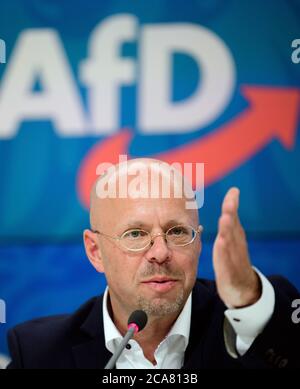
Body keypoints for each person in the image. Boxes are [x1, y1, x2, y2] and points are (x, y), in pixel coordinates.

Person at [7, 158, 300, 369]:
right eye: (135, 234)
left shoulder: (245, 321)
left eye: (177, 232)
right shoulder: (38, 354)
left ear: (198, 243)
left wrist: (247, 295)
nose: (160, 252)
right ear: (95, 251)